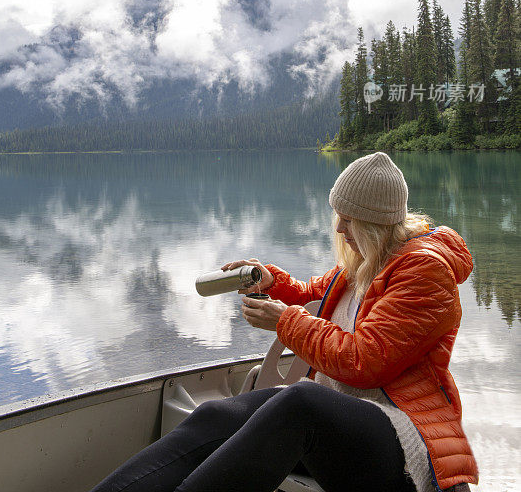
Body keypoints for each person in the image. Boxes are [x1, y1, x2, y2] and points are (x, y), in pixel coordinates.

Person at [89, 151, 479, 492]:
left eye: (348, 220)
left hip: (405, 441)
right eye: (338, 217)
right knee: (217, 416)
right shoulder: (369, 260)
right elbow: (314, 293)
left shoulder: (424, 271)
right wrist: (272, 280)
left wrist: (285, 322)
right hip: (342, 422)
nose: (340, 228)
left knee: (300, 403)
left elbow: (365, 361)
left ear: (375, 224)